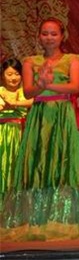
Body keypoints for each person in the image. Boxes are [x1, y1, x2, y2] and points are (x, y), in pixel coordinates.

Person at [0, 18, 79, 241]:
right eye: (45, 33)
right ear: (39, 36)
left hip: (62, 116)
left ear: (62, 36)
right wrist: (40, 85)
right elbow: (28, 92)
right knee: (38, 163)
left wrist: (47, 84)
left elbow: (74, 87)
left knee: (64, 161)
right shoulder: (30, 61)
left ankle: (67, 219)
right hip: (39, 116)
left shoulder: (73, 59)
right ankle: (37, 220)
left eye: (54, 33)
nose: (49, 38)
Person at [0, 58, 33, 210]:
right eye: (9, 74)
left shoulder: (24, 92)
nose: (13, 78)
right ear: (2, 75)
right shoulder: (1, 91)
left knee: (17, 169)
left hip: (20, 135)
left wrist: (14, 104)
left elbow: (33, 101)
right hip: (2, 136)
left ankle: (16, 207)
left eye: (17, 74)